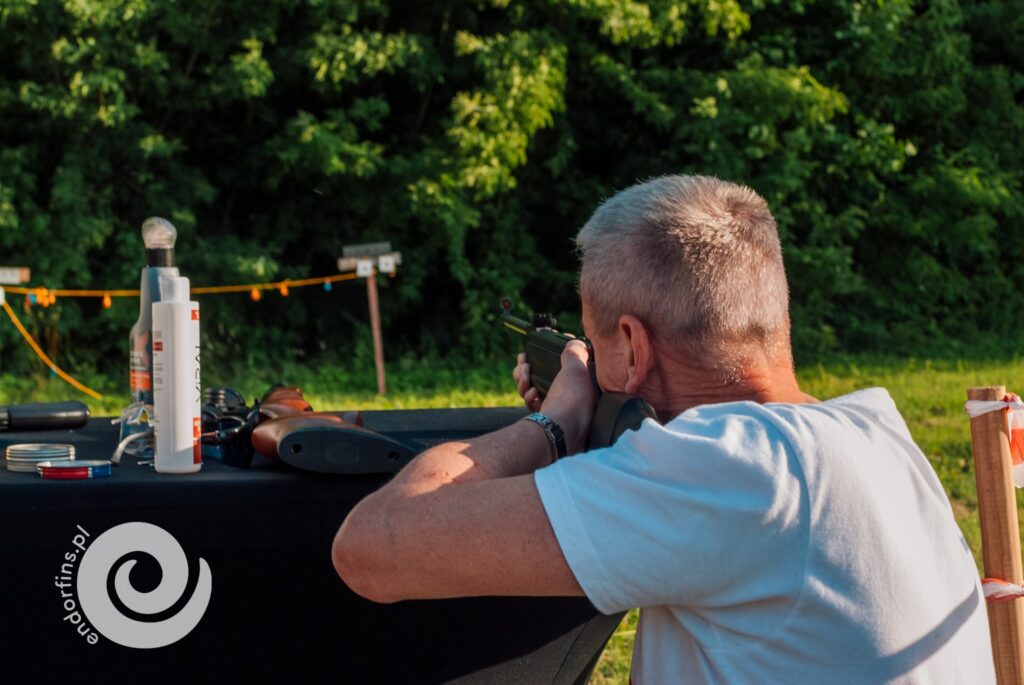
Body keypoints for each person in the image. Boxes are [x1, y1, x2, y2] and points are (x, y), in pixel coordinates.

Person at [332, 174, 994, 683]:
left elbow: (373, 547)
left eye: (596, 345)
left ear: (630, 344)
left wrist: (555, 420)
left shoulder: (734, 469)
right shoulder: (876, 434)